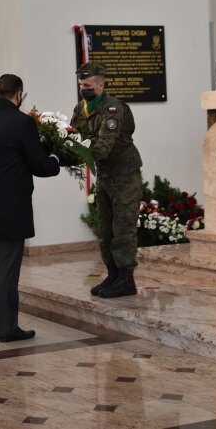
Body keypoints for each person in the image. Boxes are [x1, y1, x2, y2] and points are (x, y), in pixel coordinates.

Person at [0, 74, 60, 342]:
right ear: (18, 94)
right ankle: (8, 329)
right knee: (8, 271)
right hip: (10, 207)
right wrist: (55, 156)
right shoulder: (21, 123)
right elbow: (39, 166)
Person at [70, 62, 142, 299]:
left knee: (123, 228)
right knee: (106, 228)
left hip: (124, 176)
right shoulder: (81, 109)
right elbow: (74, 136)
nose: (84, 89)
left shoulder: (113, 109)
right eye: (81, 84)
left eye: (88, 85)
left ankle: (126, 278)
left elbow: (103, 146)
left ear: (101, 84)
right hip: (105, 176)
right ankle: (113, 274)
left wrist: (74, 156)